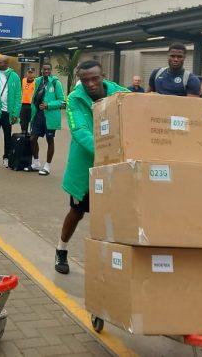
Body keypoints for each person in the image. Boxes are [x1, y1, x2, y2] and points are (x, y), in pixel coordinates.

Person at [56, 60, 129, 274]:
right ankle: (62, 248)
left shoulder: (121, 94)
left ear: (103, 75)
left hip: (116, 166)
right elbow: (79, 131)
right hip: (87, 167)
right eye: (85, 80)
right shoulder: (74, 99)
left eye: (94, 78)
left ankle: (107, 260)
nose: (90, 83)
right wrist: (107, 152)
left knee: (111, 215)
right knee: (77, 212)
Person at [28, 63, 65, 176]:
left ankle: (47, 166)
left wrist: (48, 105)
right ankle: (36, 163)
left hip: (50, 117)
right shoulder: (38, 81)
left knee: (50, 140)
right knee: (33, 138)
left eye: (48, 69)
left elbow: (62, 101)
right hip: (38, 115)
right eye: (44, 69)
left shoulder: (56, 83)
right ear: (41, 70)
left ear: (51, 70)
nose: (46, 71)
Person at [20, 67, 37, 133]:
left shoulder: (36, 82)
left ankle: (32, 133)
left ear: (34, 73)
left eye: (31, 73)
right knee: (23, 120)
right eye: (29, 72)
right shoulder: (23, 80)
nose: (30, 74)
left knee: (32, 119)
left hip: (31, 104)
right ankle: (24, 132)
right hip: (23, 104)